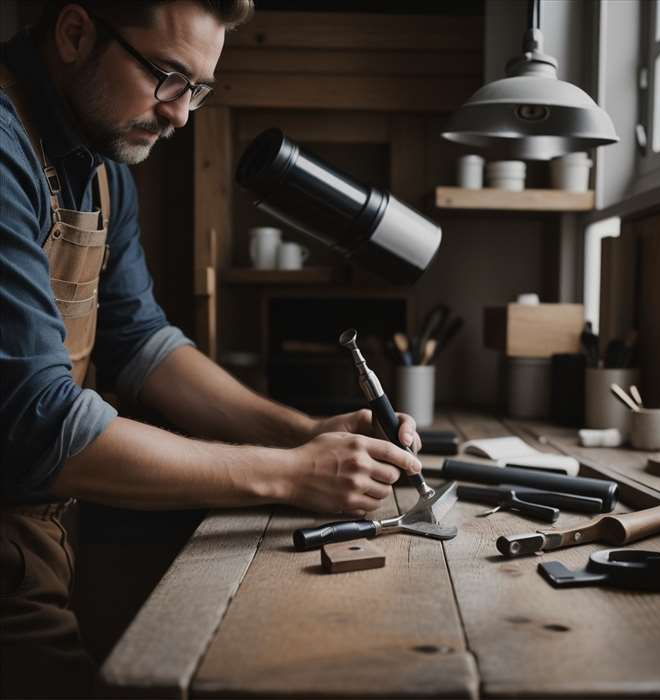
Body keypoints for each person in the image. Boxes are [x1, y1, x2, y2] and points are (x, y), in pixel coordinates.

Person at [0, 2, 423, 697]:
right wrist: (291, 476)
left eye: (198, 90)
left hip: (40, 537)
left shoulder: (105, 167)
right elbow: (40, 425)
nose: (180, 115)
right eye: (168, 78)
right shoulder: (5, 148)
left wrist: (306, 433)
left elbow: (142, 344)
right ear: (77, 34)